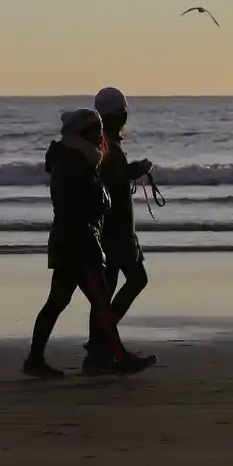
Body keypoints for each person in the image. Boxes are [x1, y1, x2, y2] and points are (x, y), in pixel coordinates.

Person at [23, 108, 156, 378]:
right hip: (80, 242)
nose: (100, 136)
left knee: (58, 302)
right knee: (100, 301)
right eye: (95, 130)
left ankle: (35, 359)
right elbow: (84, 204)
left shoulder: (71, 160)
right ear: (83, 133)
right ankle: (117, 357)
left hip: (68, 241)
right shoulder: (76, 163)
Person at [86, 86, 153, 360]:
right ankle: (100, 344)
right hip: (117, 230)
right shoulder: (109, 146)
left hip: (109, 228)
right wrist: (135, 171)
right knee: (135, 280)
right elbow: (115, 180)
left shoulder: (101, 144)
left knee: (109, 288)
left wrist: (131, 171)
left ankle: (98, 349)